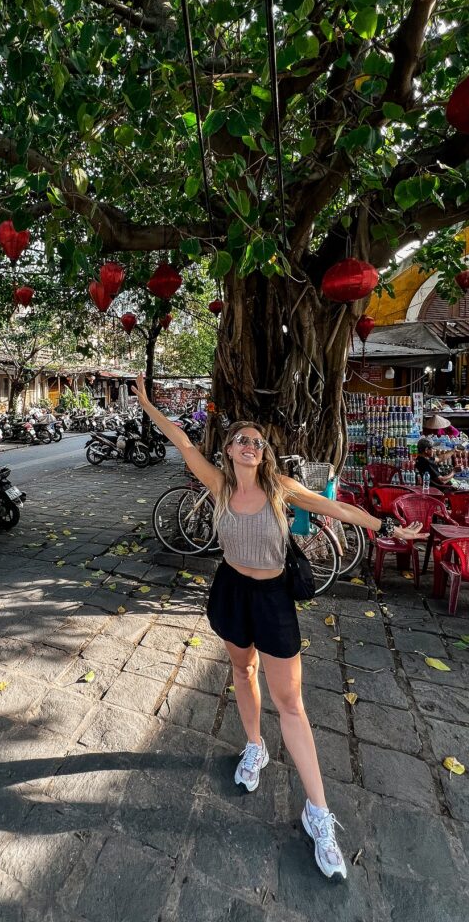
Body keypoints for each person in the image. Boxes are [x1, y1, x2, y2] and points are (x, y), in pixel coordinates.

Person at [132, 375, 422, 882]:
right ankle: (254, 746)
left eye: (258, 441)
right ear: (228, 450)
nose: (251, 445)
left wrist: (386, 527)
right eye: (242, 439)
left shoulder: (280, 489)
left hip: (272, 600)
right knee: (242, 672)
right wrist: (146, 403)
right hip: (231, 591)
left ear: (264, 454)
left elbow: (336, 507)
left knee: (291, 702)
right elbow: (181, 440)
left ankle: (318, 811)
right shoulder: (219, 485)